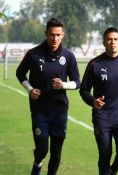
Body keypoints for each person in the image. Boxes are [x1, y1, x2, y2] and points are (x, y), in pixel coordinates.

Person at [16, 18, 80, 175]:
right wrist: (30, 89)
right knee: (42, 149)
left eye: (58, 35)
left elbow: (77, 82)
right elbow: (20, 73)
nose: (55, 39)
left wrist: (64, 85)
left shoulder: (68, 56)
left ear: (63, 35)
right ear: (46, 34)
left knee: (56, 152)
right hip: (40, 110)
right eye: (52, 35)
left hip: (60, 110)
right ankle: (37, 162)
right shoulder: (33, 54)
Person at [79, 27, 118, 175]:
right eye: (109, 39)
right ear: (104, 42)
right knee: (105, 154)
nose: (112, 42)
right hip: (102, 118)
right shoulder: (95, 64)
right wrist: (93, 102)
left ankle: (112, 172)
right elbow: (84, 90)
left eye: (115, 39)